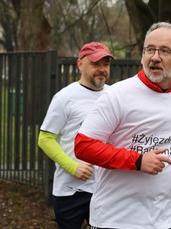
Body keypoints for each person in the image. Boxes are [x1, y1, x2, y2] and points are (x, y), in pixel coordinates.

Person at [74, 22, 171, 229]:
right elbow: (83, 146)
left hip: (170, 219)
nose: (155, 57)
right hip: (117, 220)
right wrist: (138, 161)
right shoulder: (118, 95)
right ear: (143, 55)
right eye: (150, 49)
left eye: (165, 51)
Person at [38, 42, 114, 229]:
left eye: (106, 64)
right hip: (70, 191)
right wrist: (73, 167)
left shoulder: (115, 96)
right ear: (80, 64)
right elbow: (45, 139)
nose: (102, 70)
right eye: (96, 64)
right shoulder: (65, 98)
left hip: (106, 189)